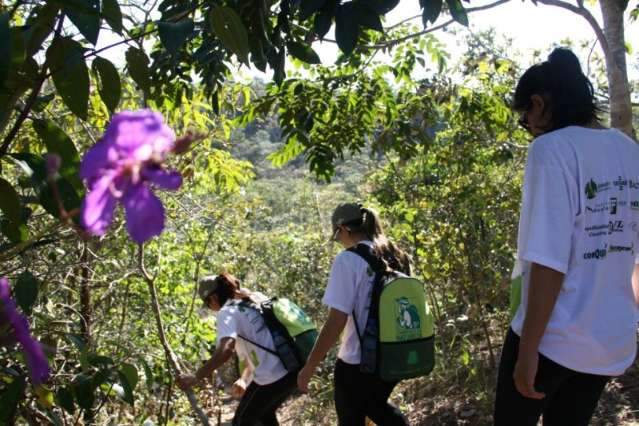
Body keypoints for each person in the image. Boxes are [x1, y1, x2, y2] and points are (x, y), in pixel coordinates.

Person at [494, 47, 639, 426]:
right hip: (607, 342)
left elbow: (548, 261)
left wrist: (528, 352)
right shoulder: (628, 150)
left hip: (554, 337)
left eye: (525, 118)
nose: (528, 127)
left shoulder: (551, 150)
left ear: (539, 104)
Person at [297, 203, 411, 425]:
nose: (339, 241)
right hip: (394, 353)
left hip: (358, 361)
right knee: (376, 406)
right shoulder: (396, 255)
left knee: (357, 416)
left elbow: (336, 321)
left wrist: (309, 366)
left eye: (337, 235)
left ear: (344, 229)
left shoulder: (348, 259)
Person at [177, 273, 297, 426]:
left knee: (241, 422)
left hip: (273, 376)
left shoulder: (227, 313)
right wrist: (243, 379)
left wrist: (196, 376)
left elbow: (225, 350)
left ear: (213, 298)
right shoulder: (252, 300)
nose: (210, 308)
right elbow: (260, 348)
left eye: (207, 304)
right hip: (290, 367)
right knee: (264, 416)